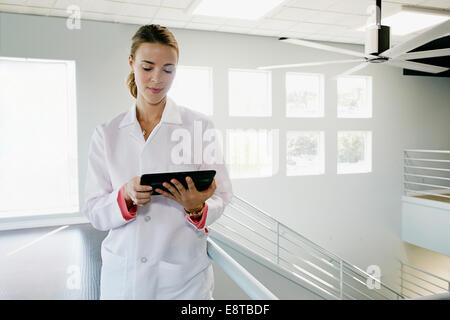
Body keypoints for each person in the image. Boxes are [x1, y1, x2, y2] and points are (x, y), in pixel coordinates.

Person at [83, 24, 232, 300]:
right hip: (124, 277)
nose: (157, 79)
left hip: (183, 280)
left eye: (168, 69)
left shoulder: (199, 126)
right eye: (147, 67)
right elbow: (93, 210)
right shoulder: (107, 133)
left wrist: (197, 206)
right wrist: (125, 196)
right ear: (131, 63)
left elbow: (222, 194)